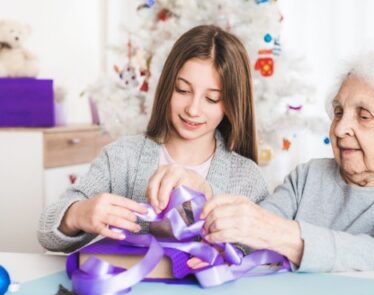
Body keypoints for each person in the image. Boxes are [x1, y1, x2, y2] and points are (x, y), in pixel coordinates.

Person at [168, 49, 374, 273]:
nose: (339, 129)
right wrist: (202, 200)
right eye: (339, 112)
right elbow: (249, 233)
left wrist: (286, 238)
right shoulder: (308, 177)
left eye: (364, 116)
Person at [37, 25, 269, 253]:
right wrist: (77, 214)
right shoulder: (122, 157)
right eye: (182, 90)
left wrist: (206, 194)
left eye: (211, 99)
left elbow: (264, 253)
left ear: (230, 105)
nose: (193, 109)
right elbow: (46, 233)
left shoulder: (248, 178)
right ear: (168, 87)